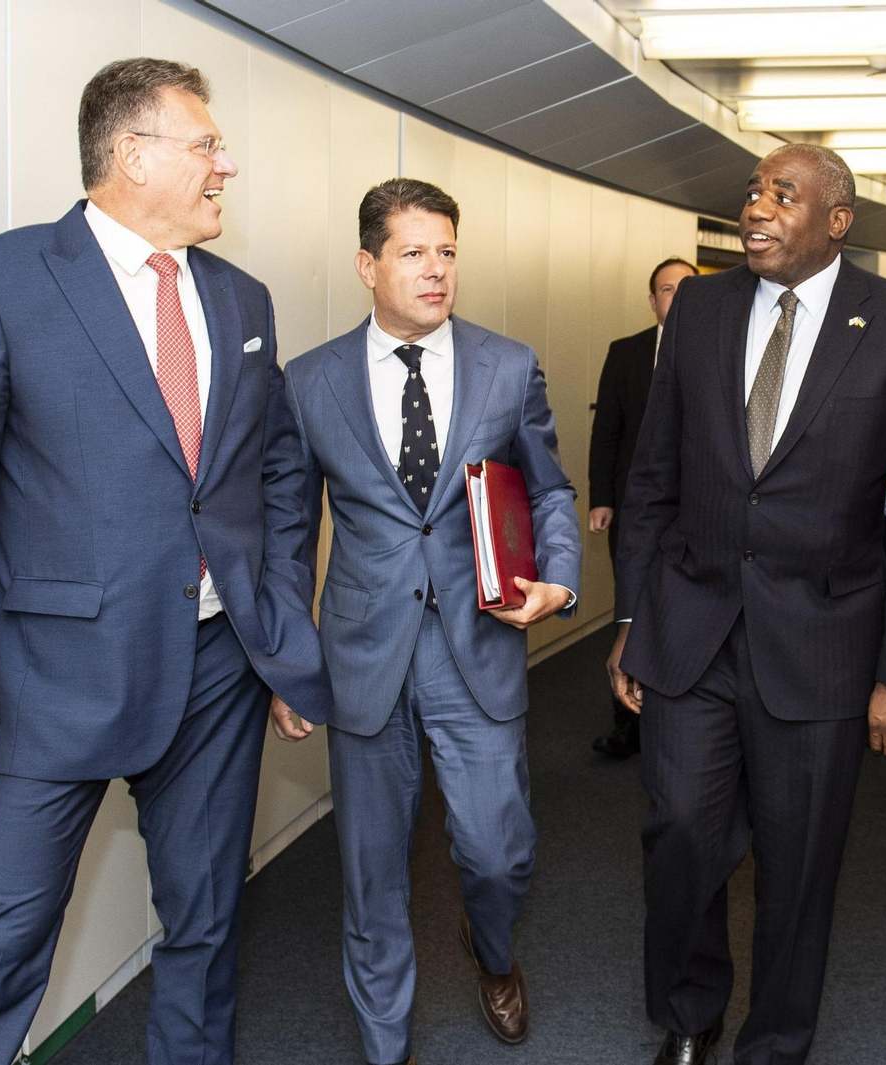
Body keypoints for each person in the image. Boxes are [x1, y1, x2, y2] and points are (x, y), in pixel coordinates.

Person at [0, 58, 327, 1065]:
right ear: (132, 154)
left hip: (217, 666)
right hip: (48, 679)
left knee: (206, 923)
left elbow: (274, 478)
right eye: (207, 145)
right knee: (0, 944)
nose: (227, 165)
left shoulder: (242, 299)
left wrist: (278, 638)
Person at [608, 144, 886, 1065]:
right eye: (753, 191)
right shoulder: (699, 308)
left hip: (823, 643)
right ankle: (689, 1014)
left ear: (837, 222)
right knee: (680, 833)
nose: (757, 207)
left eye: (784, 194)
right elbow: (653, 474)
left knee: (800, 862)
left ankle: (774, 1043)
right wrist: (632, 620)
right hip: (692, 627)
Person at [278, 178, 581, 1065]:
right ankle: (386, 1044)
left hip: (475, 643)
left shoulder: (507, 366)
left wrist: (559, 581)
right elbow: (288, 534)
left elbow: (550, 490)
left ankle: (491, 948)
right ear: (367, 265)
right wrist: (291, 667)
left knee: (497, 851)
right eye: (413, 253)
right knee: (371, 868)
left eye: (447, 251)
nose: (436, 269)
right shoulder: (310, 381)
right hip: (361, 654)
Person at [588, 256, 699, 758]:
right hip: (636, 509)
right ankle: (627, 721)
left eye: (686, 288)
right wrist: (602, 498)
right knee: (631, 608)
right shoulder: (626, 353)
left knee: (685, 613)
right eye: (667, 289)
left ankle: (680, 717)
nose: (677, 297)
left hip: (696, 511)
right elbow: (606, 430)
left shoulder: (722, 349)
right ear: (653, 300)